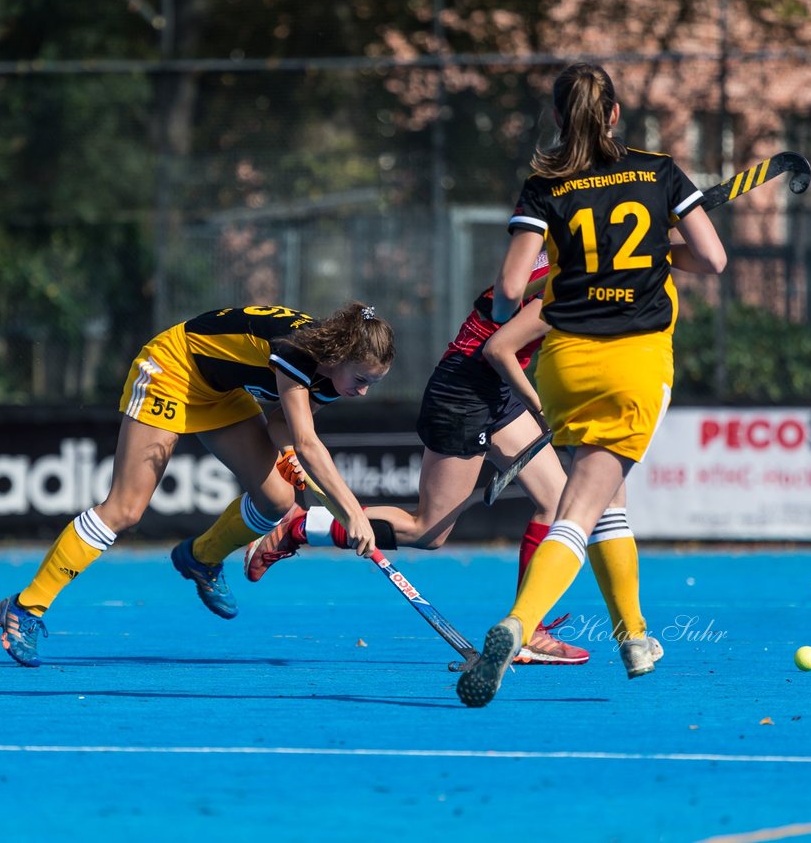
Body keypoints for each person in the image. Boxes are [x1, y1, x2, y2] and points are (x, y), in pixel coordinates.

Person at [456, 62, 726, 707]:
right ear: (614, 114)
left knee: (607, 498)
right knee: (578, 511)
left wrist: (524, 305)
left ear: (558, 117)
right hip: (635, 363)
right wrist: (660, 249)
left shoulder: (543, 184)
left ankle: (634, 637)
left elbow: (515, 288)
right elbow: (712, 259)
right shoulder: (659, 170)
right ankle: (518, 625)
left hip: (565, 361)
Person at [0, 302, 396, 667]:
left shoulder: (334, 374)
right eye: (360, 379)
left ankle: (200, 558)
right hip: (172, 370)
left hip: (219, 392)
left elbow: (282, 426)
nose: (361, 392)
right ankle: (25, 607)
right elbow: (307, 441)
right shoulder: (299, 351)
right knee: (125, 509)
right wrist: (351, 513)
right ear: (341, 355)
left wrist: (288, 454)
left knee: (276, 499)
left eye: (371, 384)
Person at [244, 254, 589, 666]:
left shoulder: (554, 252)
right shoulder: (575, 278)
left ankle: (531, 627)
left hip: (493, 389)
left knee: (557, 501)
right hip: (465, 393)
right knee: (428, 532)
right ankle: (301, 527)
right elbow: (499, 348)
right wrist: (540, 402)